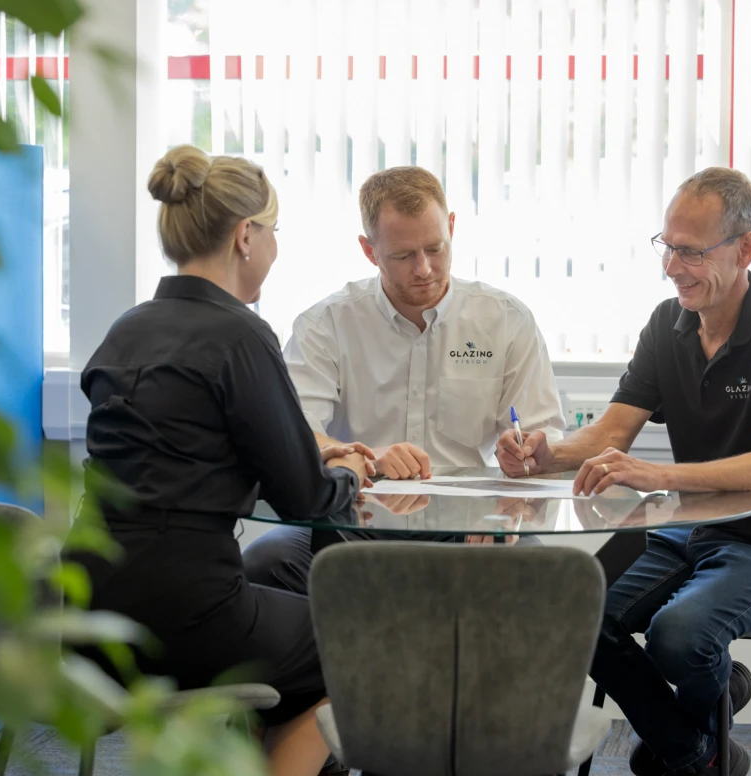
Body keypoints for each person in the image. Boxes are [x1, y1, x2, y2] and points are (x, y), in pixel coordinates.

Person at [63, 145, 375, 776]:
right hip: (185, 613)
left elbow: (179, 457)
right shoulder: (239, 334)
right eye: (275, 232)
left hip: (88, 609)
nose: (274, 249)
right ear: (245, 236)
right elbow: (306, 501)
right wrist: (350, 473)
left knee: (284, 644)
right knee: (359, 642)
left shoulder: (128, 328)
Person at [496, 167, 751, 776]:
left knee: (677, 638)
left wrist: (652, 476)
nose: (672, 267)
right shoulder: (668, 325)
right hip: (694, 530)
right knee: (575, 613)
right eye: (667, 246)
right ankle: (697, 749)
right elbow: (610, 434)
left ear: (746, 248)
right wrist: (542, 453)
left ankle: (694, 715)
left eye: (692, 251)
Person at [244, 165, 564, 593]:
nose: (425, 269)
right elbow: (295, 435)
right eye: (402, 255)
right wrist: (369, 456)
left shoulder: (505, 321)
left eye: (436, 248)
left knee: (555, 582)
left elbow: (542, 438)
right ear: (369, 250)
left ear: (452, 227)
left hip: (471, 523)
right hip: (354, 517)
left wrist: (521, 468)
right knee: (266, 564)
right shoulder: (326, 325)